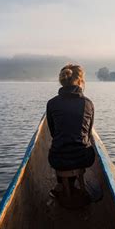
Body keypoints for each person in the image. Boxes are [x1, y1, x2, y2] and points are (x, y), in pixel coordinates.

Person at [46, 64, 95, 197]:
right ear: (80, 81)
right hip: (84, 158)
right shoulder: (88, 103)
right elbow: (88, 134)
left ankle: (62, 185)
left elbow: (53, 133)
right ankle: (72, 185)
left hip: (57, 159)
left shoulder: (52, 103)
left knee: (60, 149)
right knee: (79, 148)